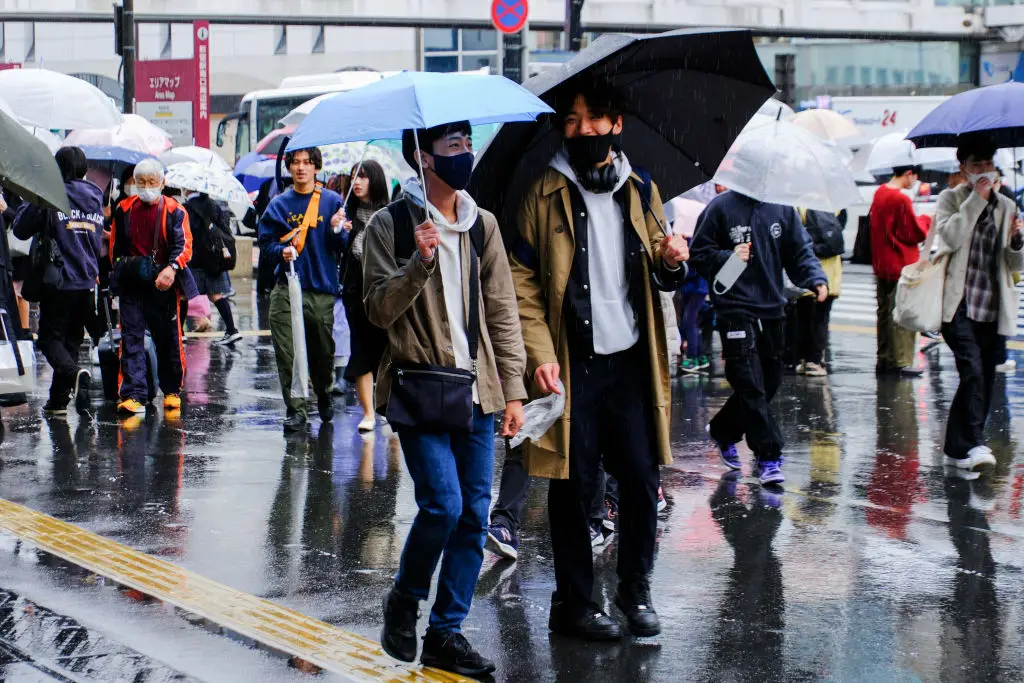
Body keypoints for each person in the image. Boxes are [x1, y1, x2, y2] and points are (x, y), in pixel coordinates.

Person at [510, 83, 689, 642]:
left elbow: (664, 270)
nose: (584, 129)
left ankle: (635, 593)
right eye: (572, 120)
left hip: (631, 360)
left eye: (596, 118)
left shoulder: (642, 189)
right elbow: (523, 286)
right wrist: (539, 356)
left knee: (639, 479)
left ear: (617, 124)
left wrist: (672, 262)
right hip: (571, 362)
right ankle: (575, 604)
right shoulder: (541, 194)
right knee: (573, 482)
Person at [364, 121, 526, 676]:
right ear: (423, 157)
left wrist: (513, 391)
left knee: (475, 517)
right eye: (452, 146)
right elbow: (378, 310)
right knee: (444, 504)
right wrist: (420, 264)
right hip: (418, 386)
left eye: (467, 144)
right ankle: (405, 598)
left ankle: (445, 633)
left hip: (477, 391)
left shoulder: (484, 225)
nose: (465, 154)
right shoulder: (391, 224)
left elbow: (503, 312)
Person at [690, 190, 828, 486]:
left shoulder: (782, 208)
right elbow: (699, 252)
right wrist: (728, 256)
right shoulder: (721, 207)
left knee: (769, 382)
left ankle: (723, 430)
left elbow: (799, 250)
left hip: (773, 309)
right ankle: (769, 456)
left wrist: (815, 278)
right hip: (733, 309)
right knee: (750, 385)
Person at [933, 134, 1024, 473]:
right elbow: (951, 236)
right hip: (957, 304)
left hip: (992, 306)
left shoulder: (1007, 206)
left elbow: (1015, 265)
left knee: (984, 377)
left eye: (988, 164)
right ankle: (972, 443)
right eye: (977, 165)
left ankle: (957, 447)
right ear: (964, 168)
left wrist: (1017, 240)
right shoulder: (950, 199)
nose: (984, 171)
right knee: (970, 370)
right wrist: (977, 198)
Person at [258, 147, 347, 432]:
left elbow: (343, 246)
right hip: (286, 288)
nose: (301, 168)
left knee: (322, 352)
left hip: (321, 289)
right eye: (295, 162)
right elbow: (266, 244)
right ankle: (295, 410)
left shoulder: (332, 201)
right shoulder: (278, 205)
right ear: (289, 167)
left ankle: (323, 391)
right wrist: (280, 251)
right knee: (288, 353)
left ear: (316, 167)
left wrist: (337, 230)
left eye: (307, 163)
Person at [12, 147, 103, 416]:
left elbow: (21, 228)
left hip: (59, 280)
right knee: (71, 342)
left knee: (49, 340)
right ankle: (58, 402)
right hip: (87, 281)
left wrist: (34, 199)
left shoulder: (52, 193)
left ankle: (75, 374)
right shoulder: (95, 196)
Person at [109, 158, 198, 415]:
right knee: (131, 338)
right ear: (133, 183)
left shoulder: (175, 210)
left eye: (151, 182)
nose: (146, 187)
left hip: (164, 285)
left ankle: (171, 391)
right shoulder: (123, 209)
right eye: (141, 182)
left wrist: (172, 268)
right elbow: (116, 249)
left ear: (162, 183)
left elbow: (185, 246)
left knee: (168, 339)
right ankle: (133, 394)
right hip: (132, 284)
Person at [339, 160, 390, 431]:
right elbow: (338, 252)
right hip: (355, 289)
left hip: (383, 289)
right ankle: (369, 413)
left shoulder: (391, 213)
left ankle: (389, 408)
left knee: (386, 348)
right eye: (354, 176)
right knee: (360, 348)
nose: (357, 182)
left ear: (376, 180)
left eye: (363, 176)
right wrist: (338, 232)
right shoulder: (346, 213)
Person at [869, 165, 932, 377]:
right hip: (900, 263)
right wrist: (926, 220)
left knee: (885, 312)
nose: (914, 181)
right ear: (908, 173)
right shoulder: (900, 199)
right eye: (914, 176)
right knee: (902, 313)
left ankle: (885, 357)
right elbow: (912, 232)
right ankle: (901, 361)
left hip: (882, 261)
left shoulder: (880, 193)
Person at [184, 192, 242, 346]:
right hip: (214, 259)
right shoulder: (214, 205)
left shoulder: (187, 208)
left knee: (183, 295)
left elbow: (187, 232)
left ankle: (179, 333)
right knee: (216, 295)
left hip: (195, 260)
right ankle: (232, 330)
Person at [794, 208, 846, 376]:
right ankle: (815, 361)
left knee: (804, 320)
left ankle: (804, 359)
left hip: (807, 270)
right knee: (821, 319)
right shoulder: (832, 205)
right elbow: (839, 230)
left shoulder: (798, 205)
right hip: (829, 273)